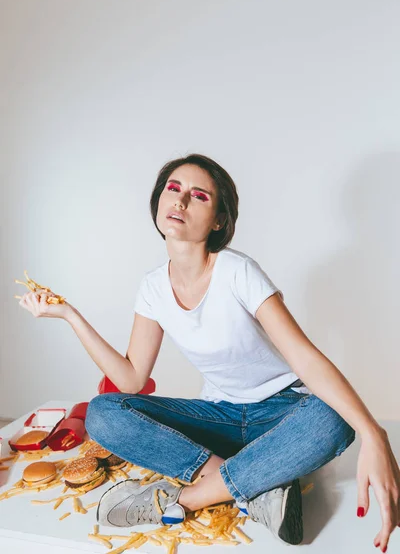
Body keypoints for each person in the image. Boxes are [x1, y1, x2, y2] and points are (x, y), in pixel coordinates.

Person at [19, 154, 400, 550]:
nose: (180, 201)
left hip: (282, 414)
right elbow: (131, 379)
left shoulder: (238, 272)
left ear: (219, 219)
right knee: (103, 411)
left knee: (332, 417)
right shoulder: (152, 288)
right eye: (173, 189)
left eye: (198, 196)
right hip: (218, 418)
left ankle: (191, 497)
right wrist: (69, 315)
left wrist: (374, 433)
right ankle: (256, 487)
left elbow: (304, 358)